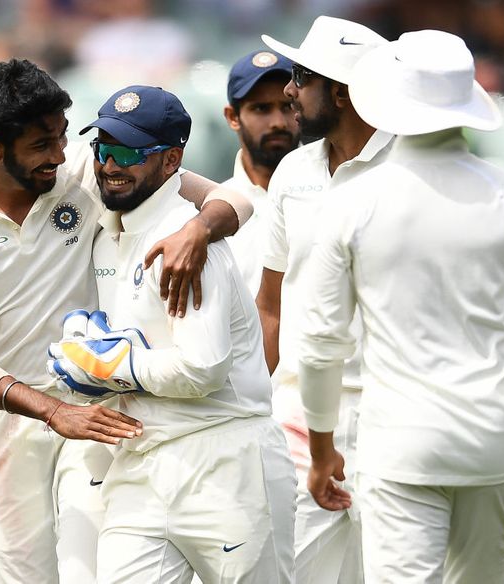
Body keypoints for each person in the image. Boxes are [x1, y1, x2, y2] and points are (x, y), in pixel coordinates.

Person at [0, 59, 251, 584]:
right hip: (10, 419)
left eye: (63, 136)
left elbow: (234, 200)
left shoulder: (84, 168)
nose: (61, 155)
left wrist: (197, 230)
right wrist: (51, 411)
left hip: (97, 411)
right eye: (42, 145)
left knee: (89, 571)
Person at [299, 30, 504, 584]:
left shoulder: (352, 202)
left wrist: (321, 447)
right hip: (493, 445)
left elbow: (320, 343)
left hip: (399, 444)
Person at [49, 84, 297, 583]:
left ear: (171, 161)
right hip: (140, 461)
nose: (109, 165)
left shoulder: (186, 240)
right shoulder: (109, 232)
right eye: (103, 148)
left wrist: (109, 365)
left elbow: (202, 369)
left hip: (225, 461)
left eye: (128, 153)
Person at [255, 16, 391, 583]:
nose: (289, 90)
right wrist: (261, 411)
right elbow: (271, 302)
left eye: (300, 77)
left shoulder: (409, 167)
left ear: (340, 93)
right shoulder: (293, 170)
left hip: (392, 415)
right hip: (297, 418)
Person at [222, 49, 300, 295]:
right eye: (261, 109)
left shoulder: (335, 187)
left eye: (288, 106)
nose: (278, 122)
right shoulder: (212, 208)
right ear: (233, 117)